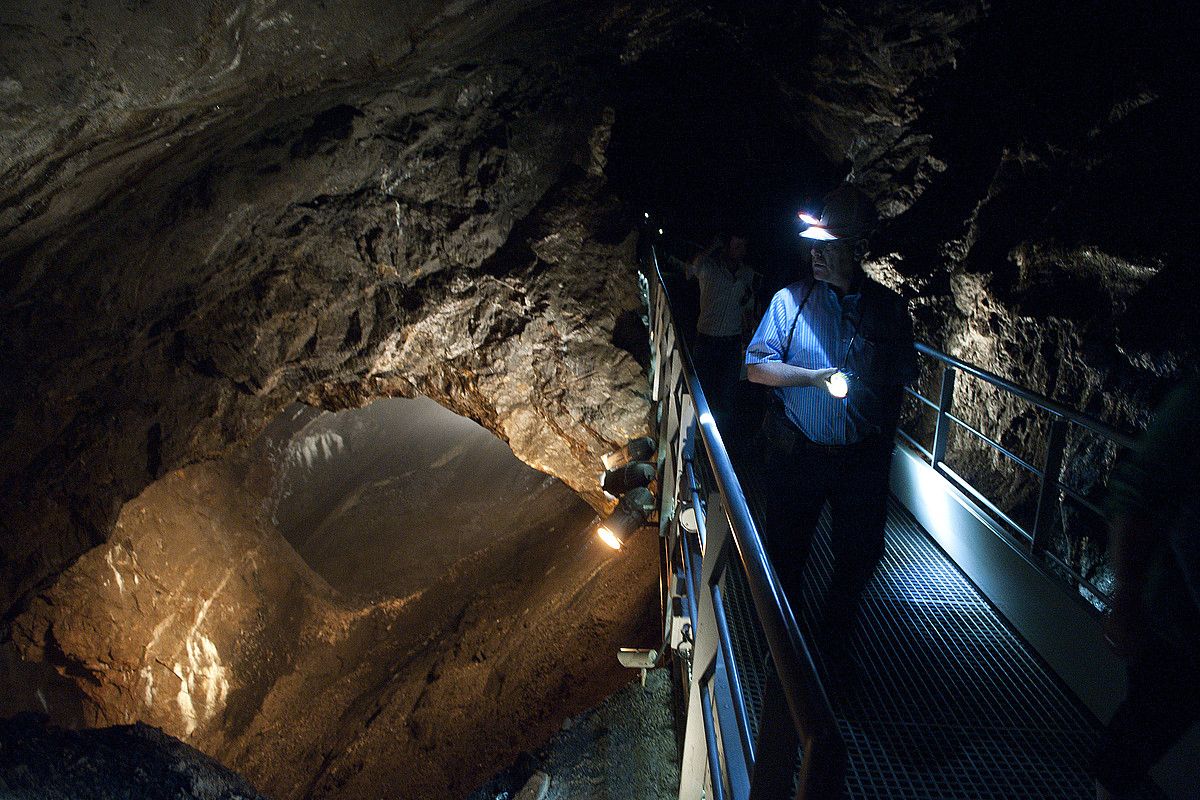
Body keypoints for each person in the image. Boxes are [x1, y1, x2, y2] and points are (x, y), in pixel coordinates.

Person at [744, 184, 917, 641]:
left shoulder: (889, 311)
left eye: (828, 245)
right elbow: (755, 368)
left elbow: (899, 381)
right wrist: (813, 377)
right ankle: (786, 648)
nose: (815, 254)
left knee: (860, 556)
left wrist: (881, 445)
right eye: (814, 244)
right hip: (799, 452)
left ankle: (834, 645)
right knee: (785, 553)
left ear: (857, 250)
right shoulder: (791, 301)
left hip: (861, 460)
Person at [1094, 378, 1200, 800]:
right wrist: (1128, 601)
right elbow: (1139, 494)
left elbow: (1139, 489)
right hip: (1179, 628)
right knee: (1134, 741)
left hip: (1179, 623)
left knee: (1133, 741)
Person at [687, 229, 757, 433]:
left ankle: (720, 441)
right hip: (706, 339)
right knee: (700, 392)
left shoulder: (747, 274)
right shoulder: (709, 268)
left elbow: (747, 306)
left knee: (726, 396)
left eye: (743, 247)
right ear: (726, 247)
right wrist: (712, 247)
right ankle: (695, 435)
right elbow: (689, 270)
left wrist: (748, 336)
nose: (740, 251)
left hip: (731, 343)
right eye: (736, 246)